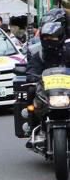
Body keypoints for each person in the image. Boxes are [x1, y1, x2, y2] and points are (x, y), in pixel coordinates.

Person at [26, 8, 70, 148]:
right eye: (47, 38)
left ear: (61, 37)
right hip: (46, 90)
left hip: (66, 89)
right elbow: (32, 69)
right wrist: (31, 77)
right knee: (31, 91)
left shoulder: (68, 52)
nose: (50, 41)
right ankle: (32, 125)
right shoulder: (38, 54)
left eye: (54, 38)